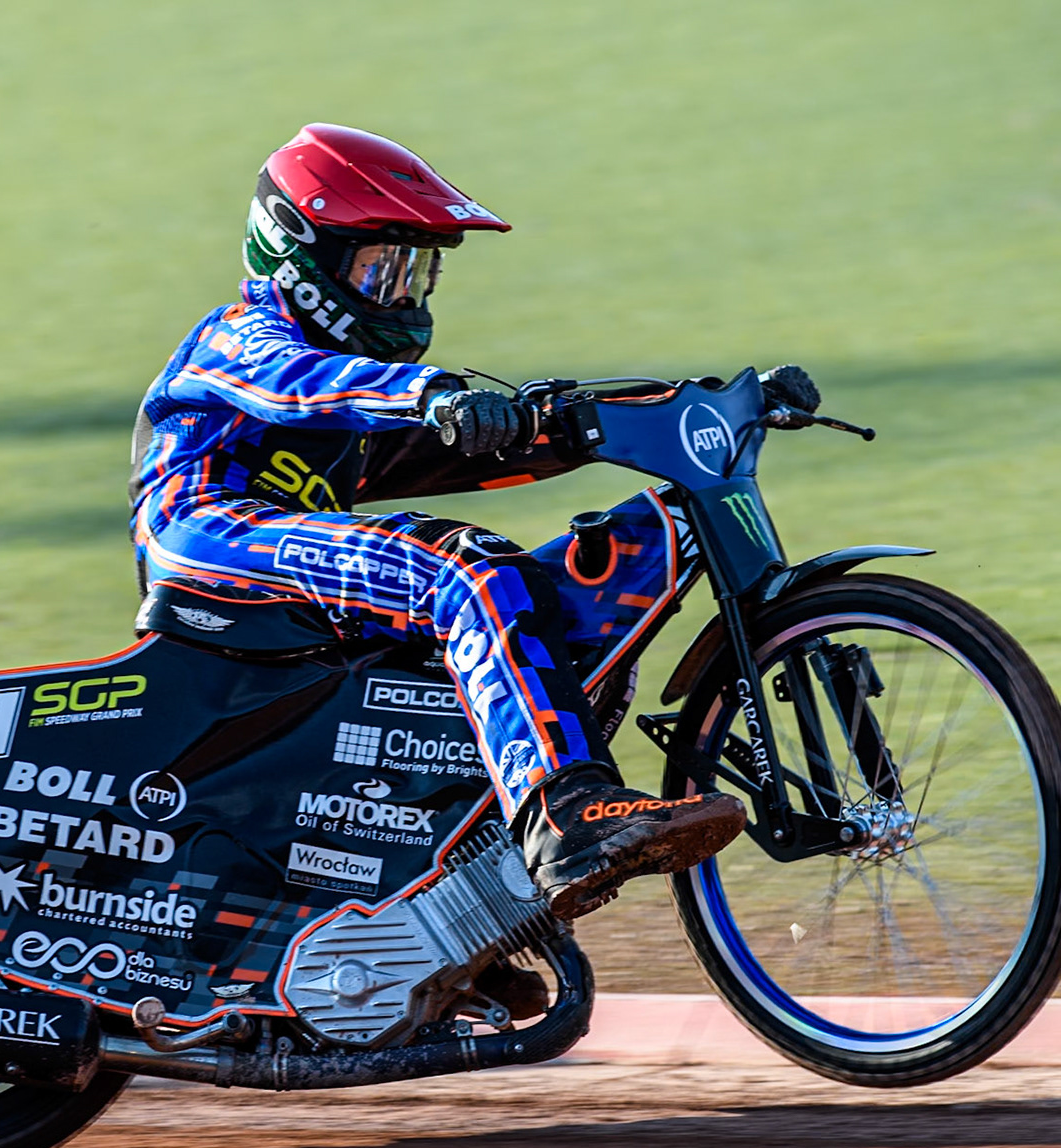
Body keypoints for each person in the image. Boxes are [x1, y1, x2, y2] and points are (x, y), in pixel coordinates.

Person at [132, 123, 791, 921]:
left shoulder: (360, 394)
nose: (406, 296)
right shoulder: (240, 337)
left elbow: (476, 448)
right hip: (207, 538)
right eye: (385, 269)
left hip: (291, 573)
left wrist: (676, 410)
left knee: (564, 594)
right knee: (467, 567)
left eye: (420, 273)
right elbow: (300, 383)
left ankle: (457, 903)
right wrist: (433, 394)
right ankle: (564, 815)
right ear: (299, 257)